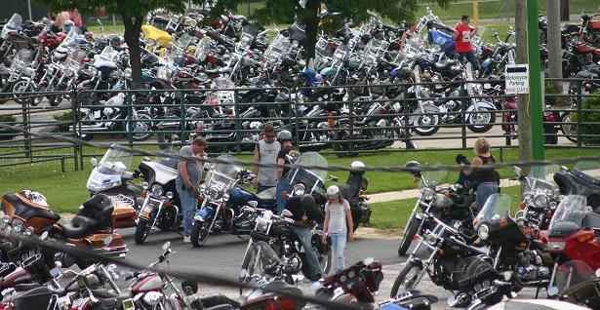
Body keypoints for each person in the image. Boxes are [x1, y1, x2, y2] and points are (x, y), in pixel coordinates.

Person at [284, 194, 323, 281]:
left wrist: (308, 223)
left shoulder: (314, 209)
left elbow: (319, 220)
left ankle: (317, 272)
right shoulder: (292, 201)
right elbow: (284, 212)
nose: (305, 209)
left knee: (308, 247)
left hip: (303, 227)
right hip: (288, 223)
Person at [176, 137, 207, 243]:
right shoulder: (186, 150)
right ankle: (187, 233)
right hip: (186, 185)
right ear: (196, 145)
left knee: (194, 209)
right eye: (201, 148)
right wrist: (187, 182)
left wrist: (202, 158)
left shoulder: (198, 155)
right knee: (188, 209)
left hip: (195, 185)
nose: (202, 151)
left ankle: (192, 231)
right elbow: (182, 167)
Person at [322, 185, 354, 274]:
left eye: (334, 196)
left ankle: (341, 270)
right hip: (332, 232)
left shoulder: (344, 203)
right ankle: (337, 271)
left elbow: (349, 218)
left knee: (340, 253)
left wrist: (351, 232)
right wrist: (324, 232)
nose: (332, 199)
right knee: (335, 253)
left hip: (341, 232)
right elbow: (326, 219)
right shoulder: (328, 205)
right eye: (330, 197)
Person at [465, 138, 499, 209]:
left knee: (483, 209)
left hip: (484, 185)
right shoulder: (492, 157)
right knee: (491, 208)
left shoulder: (477, 159)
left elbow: (469, 172)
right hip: (494, 184)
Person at [253, 124, 281, 193]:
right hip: (263, 181)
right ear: (264, 134)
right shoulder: (259, 144)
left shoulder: (278, 144)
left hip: (275, 181)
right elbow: (256, 162)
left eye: (272, 136)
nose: (271, 138)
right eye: (268, 136)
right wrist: (254, 177)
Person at [276, 130, 295, 214]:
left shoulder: (282, 152)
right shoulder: (294, 151)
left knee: (282, 205)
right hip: (295, 181)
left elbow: (280, 168)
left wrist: (278, 180)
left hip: (285, 180)